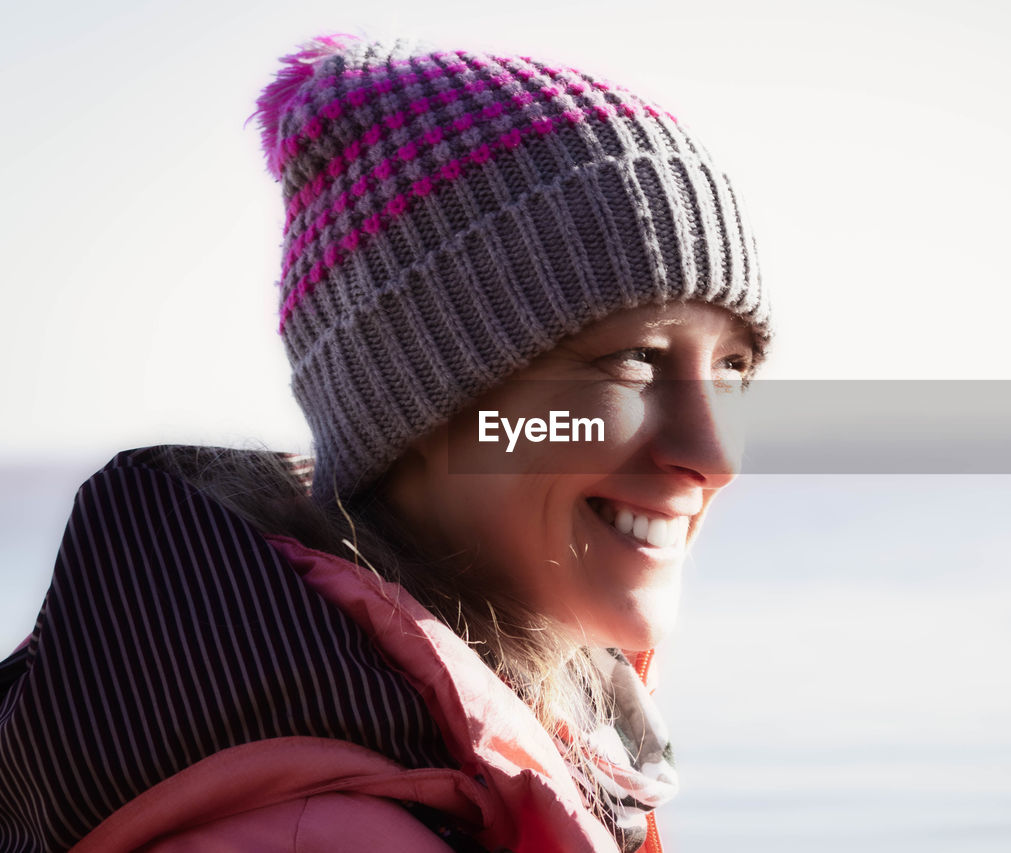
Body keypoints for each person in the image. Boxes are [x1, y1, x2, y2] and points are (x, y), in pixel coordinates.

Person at [0, 34, 770, 852]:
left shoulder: (456, 739)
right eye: (635, 359)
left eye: (731, 368)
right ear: (422, 399)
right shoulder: (326, 830)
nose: (714, 455)